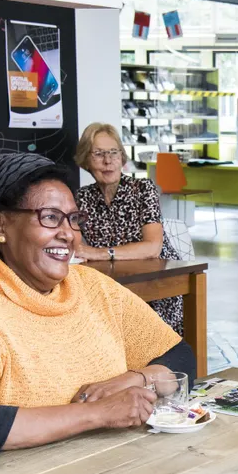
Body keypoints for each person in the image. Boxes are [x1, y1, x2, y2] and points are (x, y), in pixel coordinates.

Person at [0, 152, 196, 455]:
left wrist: (136, 379)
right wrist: (99, 413)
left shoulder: (90, 285)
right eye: (50, 217)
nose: (68, 234)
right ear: (0, 226)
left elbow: (178, 357)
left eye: (73, 219)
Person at [74, 123, 184, 334]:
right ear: (86, 160)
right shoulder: (82, 197)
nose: (108, 161)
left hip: (156, 285)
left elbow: (153, 247)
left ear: (122, 157)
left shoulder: (143, 189)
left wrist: (102, 253)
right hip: (111, 284)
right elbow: (77, 247)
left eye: (113, 153)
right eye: (98, 154)